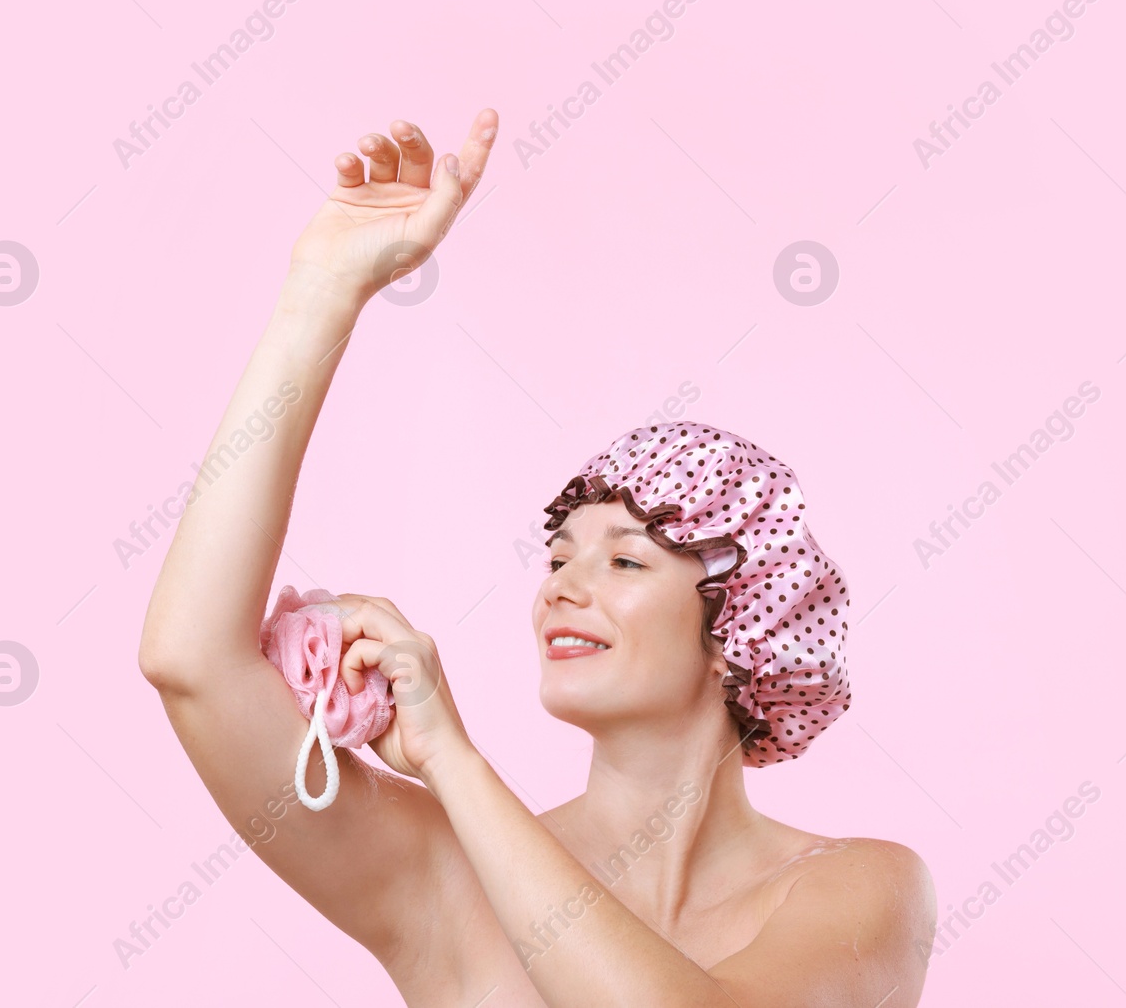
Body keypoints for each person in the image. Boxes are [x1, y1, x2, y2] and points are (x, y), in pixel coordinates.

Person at [138, 107, 936, 1006]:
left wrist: (453, 756)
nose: (562, 588)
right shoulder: (442, 877)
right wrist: (319, 295)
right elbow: (193, 661)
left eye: (626, 562)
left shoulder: (862, 890)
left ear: (740, 628)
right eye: (557, 559)